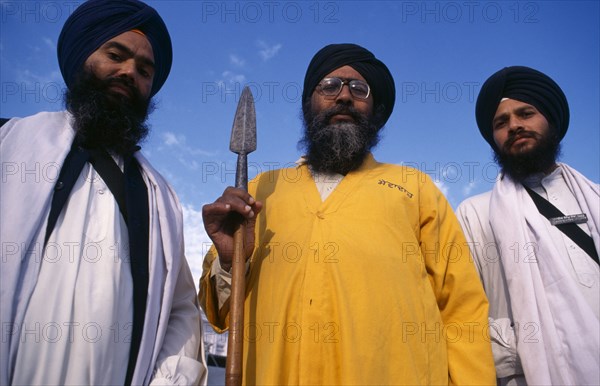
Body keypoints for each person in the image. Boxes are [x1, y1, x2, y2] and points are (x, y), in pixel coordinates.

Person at [199, 43, 495, 385]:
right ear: (309, 105)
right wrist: (228, 261)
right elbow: (219, 314)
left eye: (359, 89)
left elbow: (462, 311)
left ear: (376, 110)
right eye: (329, 86)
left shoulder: (414, 189)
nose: (343, 97)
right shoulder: (259, 191)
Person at [0, 1, 206, 384]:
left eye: (144, 70)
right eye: (115, 55)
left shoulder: (159, 199)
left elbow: (179, 311)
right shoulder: (8, 145)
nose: (129, 72)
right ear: (83, 58)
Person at [456, 66, 599, 385]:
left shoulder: (596, 199)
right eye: (501, 122)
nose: (515, 126)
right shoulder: (475, 213)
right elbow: (463, 313)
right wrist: (527, 349)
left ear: (551, 120)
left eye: (526, 113)